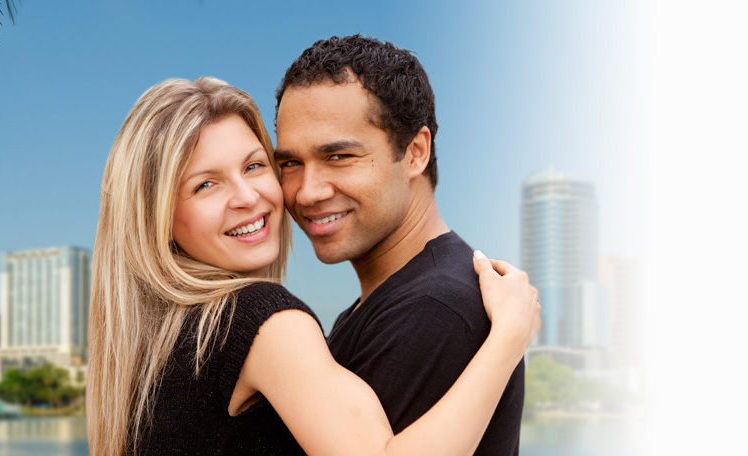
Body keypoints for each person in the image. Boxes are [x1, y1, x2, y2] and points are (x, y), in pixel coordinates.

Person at [86, 76, 540, 455]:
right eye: (206, 184)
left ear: (416, 152)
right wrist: (508, 337)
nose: (248, 197)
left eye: (255, 165)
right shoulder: (258, 320)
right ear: (159, 216)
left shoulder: (164, 338)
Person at [272, 34, 525, 455]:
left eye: (338, 157)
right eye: (291, 163)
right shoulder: (394, 300)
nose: (306, 192)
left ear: (415, 152)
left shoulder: (434, 309)